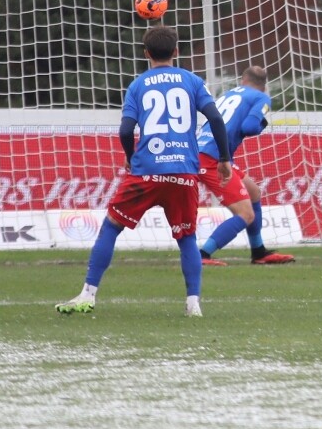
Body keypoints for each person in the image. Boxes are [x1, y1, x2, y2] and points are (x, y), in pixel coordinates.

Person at [56, 26, 232, 317]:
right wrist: (224, 157)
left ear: (146, 53)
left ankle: (88, 294)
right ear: (176, 51)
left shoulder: (138, 85)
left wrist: (130, 156)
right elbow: (214, 117)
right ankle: (193, 304)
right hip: (184, 171)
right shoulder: (192, 81)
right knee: (187, 238)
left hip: (146, 171)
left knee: (112, 226)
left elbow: (126, 129)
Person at [197, 65, 294, 266]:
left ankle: (259, 252)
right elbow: (249, 127)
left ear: (243, 80)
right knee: (245, 214)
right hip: (212, 158)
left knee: (254, 192)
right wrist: (262, 125)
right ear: (264, 85)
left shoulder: (229, 93)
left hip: (203, 150)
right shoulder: (261, 98)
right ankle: (202, 255)